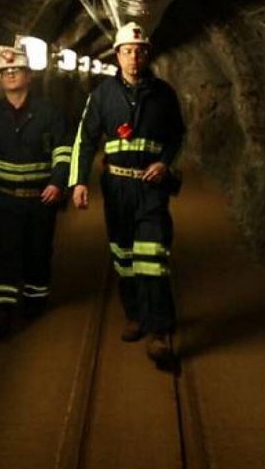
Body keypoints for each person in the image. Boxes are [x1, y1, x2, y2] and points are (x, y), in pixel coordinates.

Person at [68, 22, 186, 369]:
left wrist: (164, 163)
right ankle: (135, 315)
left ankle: (160, 331)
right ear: (117, 55)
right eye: (126, 51)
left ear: (146, 54)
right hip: (117, 187)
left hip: (149, 188)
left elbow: (177, 135)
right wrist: (78, 182)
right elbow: (85, 138)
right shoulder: (102, 96)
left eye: (139, 51)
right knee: (123, 256)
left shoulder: (163, 94)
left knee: (152, 255)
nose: (133, 58)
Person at [0, 44, 71, 341]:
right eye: (5, 71)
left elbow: (63, 152)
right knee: (2, 254)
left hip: (40, 200)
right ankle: (1, 311)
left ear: (29, 75)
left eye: (16, 70)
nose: (10, 75)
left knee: (37, 253)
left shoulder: (49, 113)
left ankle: (35, 300)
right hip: (1, 199)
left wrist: (57, 183)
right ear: (0, 78)